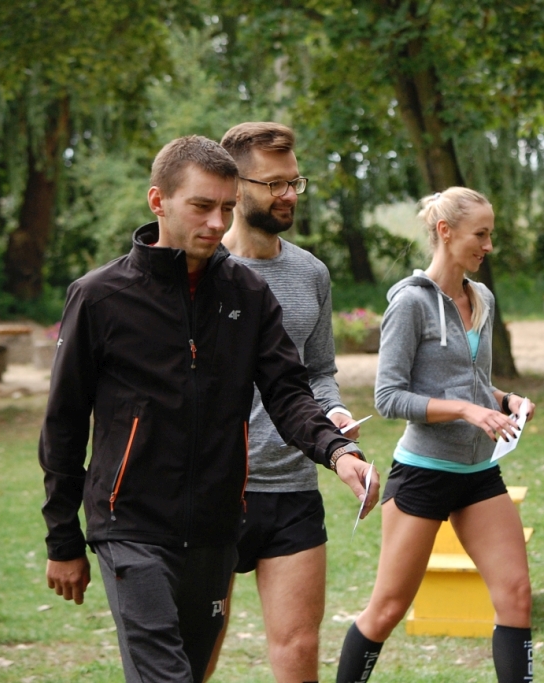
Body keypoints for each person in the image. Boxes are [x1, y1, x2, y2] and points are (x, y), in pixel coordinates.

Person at [39, 135, 379, 683]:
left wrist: (338, 452)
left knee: (190, 673)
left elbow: (288, 391)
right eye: (201, 206)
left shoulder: (248, 293)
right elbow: (64, 424)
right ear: (159, 201)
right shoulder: (100, 297)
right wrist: (62, 539)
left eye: (226, 207)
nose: (217, 223)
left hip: (218, 528)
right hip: (132, 526)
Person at [335, 188, 536, 683]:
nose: (488, 245)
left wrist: (506, 401)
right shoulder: (410, 304)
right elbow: (389, 398)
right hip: (423, 475)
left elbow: (474, 383)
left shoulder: (482, 298)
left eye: (491, 234)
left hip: (479, 473)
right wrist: (465, 409)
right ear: (445, 232)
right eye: (480, 234)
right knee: (387, 609)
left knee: (516, 596)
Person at [199, 122, 362, 683]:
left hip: (292, 486)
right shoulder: (199, 272)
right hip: (212, 490)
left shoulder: (311, 272)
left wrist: (332, 416)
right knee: (195, 650)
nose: (289, 194)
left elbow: (317, 372)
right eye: (274, 184)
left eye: (295, 182)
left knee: (298, 648)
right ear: (234, 186)